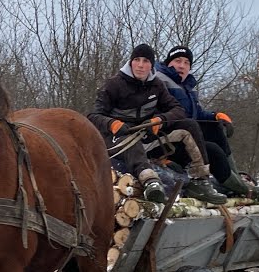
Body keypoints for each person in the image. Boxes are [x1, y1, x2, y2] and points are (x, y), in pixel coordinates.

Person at [89, 43, 228, 205]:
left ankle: (201, 180)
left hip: (146, 135)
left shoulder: (156, 85)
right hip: (118, 138)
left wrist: (160, 120)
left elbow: (177, 110)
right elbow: (93, 115)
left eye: (146, 61)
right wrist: (112, 123)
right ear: (131, 62)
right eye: (137, 60)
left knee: (189, 125)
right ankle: (150, 182)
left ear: (151, 65)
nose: (141, 65)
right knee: (132, 141)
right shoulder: (114, 84)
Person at [155, 45, 259, 201]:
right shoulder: (161, 82)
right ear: (168, 63)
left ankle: (234, 177)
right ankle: (243, 189)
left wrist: (216, 116)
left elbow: (197, 113)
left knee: (214, 128)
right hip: (168, 141)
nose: (182, 65)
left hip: (188, 135)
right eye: (177, 60)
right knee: (212, 150)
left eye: (186, 62)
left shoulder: (186, 87)